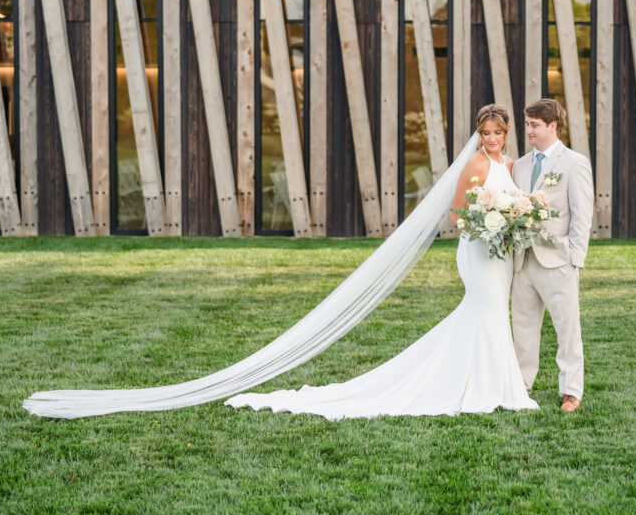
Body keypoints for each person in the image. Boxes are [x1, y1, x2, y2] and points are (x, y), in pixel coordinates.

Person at [223, 104, 538, 419]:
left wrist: (510, 221)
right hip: (478, 252)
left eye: (497, 133)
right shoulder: (475, 163)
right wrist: (488, 223)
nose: (491, 138)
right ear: (479, 133)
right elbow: (458, 214)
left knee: (494, 315)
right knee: (488, 310)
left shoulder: (508, 164)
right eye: (486, 133)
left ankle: (491, 381)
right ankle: (485, 385)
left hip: (501, 253)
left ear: (506, 132)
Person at [511, 99, 593, 413]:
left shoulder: (574, 162)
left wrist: (575, 258)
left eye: (534, 125)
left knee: (567, 330)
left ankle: (571, 392)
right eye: (527, 123)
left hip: (558, 260)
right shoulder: (518, 165)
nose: (528, 130)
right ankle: (521, 387)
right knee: (523, 330)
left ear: (552, 126)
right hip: (523, 261)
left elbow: (582, 215)